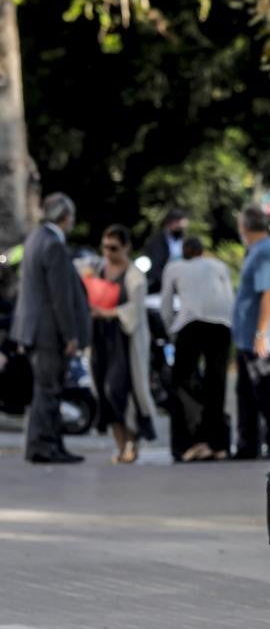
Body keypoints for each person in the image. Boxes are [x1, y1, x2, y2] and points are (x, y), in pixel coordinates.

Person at [11, 193, 91, 464]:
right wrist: (70, 335)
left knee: (43, 391)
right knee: (50, 391)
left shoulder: (35, 239)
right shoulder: (53, 245)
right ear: (65, 217)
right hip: (49, 333)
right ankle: (46, 447)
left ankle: (45, 444)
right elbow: (60, 296)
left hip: (33, 329)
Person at [161, 237, 235, 462]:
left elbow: (166, 305)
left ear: (184, 251)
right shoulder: (218, 265)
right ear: (202, 251)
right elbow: (229, 296)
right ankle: (218, 443)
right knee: (217, 383)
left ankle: (187, 443)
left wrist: (170, 330)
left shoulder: (174, 267)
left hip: (191, 323)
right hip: (221, 325)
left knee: (182, 383)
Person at [90, 225, 159, 464]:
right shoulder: (98, 269)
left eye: (114, 248)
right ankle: (120, 445)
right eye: (105, 247)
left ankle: (132, 442)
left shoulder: (134, 276)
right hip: (101, 340)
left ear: (126, 247)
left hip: (124, 341)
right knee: (104, 391)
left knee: (118, 390)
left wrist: (106, 313)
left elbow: (135, 311)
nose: (108, 252)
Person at [232, 205, 270, 460]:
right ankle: (248, 444)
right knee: (247, 392)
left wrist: (261, 333)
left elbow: (268, 293)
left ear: (245, 227)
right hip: (250, 336)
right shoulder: (257, 250)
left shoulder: (264, 253)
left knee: (263, 391)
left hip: (261, 336)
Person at [142, 209, 190, 293]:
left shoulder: (183, 240)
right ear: (170, 223)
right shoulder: (157, 241)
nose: (181, 230)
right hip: (159, 285)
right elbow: (155, 267)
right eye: (179, 227)